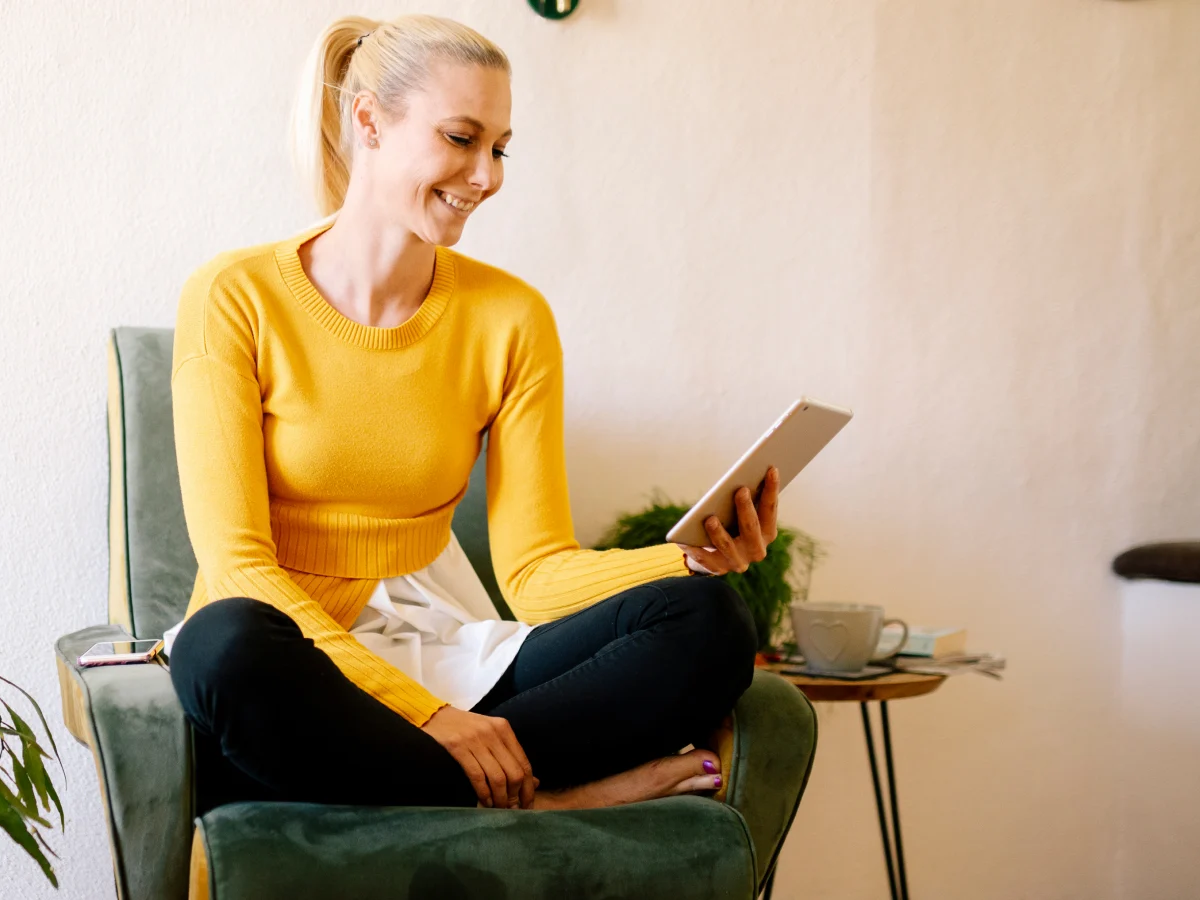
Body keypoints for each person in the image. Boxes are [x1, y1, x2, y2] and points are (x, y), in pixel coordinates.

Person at [166, 13, 779, 813]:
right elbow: (241, 567)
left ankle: (442, 787)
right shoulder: (234, 295)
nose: (485, 176)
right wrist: (435, 719)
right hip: (294, 656)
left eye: (499, 147)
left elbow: (535, 576)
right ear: (369, 121)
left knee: (707, 621)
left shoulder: (511, 318)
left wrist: (689, 559)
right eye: (460, 138)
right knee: (224, 647)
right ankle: (556, 798)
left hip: (435, 645)